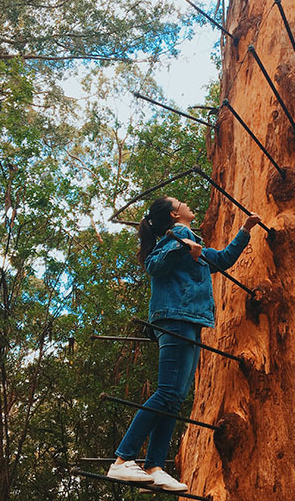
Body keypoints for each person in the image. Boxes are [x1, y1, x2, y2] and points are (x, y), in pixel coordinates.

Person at [107, 195, 261, 492]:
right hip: (175, 317)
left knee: (174, 397)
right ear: (175, 215)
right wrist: (181, 247)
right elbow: (154, 266)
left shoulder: (189, 238)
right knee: (167, 393)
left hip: (187, 319)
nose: (188, 204)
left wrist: (245, 229)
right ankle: (123, 460)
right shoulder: (178, 235)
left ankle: (154, 467)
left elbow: (222, 260)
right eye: (180, 202)